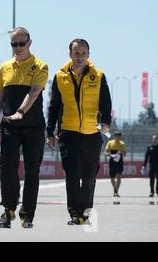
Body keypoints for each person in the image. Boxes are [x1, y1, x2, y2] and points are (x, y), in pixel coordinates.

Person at [47, 38, 111, 225]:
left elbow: (106, 103)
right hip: (68, 133)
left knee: (90, 176)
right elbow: (53, 106)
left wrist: (106, 122)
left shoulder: (98, 76)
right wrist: (50, 132)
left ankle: (86, 212)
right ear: (70, 55)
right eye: (76, 53)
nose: (80, 57)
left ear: (88, 55)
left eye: (83, 53)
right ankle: (75, 214)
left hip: (92, 134)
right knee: (73, 175)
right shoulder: (60, 77)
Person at [0, 27, 49, 229]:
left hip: (33, 126)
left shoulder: (40, 66)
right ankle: (8, 210)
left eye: (21, 43)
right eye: (14, 44)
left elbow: (33, 92)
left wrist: (21, 111)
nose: (17, 47)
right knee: (6, 167)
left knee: (32, 171)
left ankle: (27, 214)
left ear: (30, 43)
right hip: (9, 126)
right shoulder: (5, 67)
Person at [105, 131, 126, 197]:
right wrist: (111, 155)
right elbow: (105, 152)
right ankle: (115, 190)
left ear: (120, 136)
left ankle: (116, 191)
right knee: (112, 178)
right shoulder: (110, 143)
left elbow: (125, 154)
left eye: (119, 136)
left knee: (119, 177)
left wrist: (121, 153)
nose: (117, 137)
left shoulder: (122, 144)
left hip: (119, 161)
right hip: (112, 161)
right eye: (116, 136)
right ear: (114, 136)